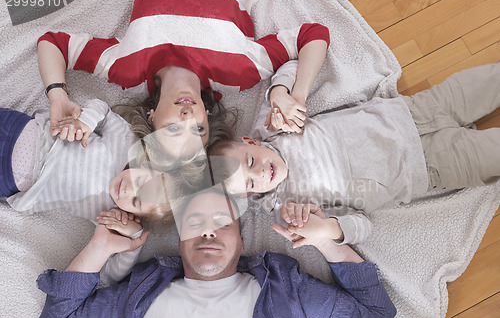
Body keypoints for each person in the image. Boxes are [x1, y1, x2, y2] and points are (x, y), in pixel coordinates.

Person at [37, 187, 397, 318]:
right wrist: (100, 246)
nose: (208, 233)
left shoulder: (283, 290)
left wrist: (324, 241)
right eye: (195, 224)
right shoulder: (143, 294)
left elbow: (374, 310)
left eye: (222, 224)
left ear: (242, 242)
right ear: (179, 243)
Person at [209, 62, 500, 245]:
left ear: (251, 142)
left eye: (249, 161)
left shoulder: (271, 126)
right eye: (250, 183)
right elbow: (362, 227)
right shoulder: (291, 209)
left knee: (488, 81)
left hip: (413, 112)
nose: (260, 172)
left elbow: (291, 65)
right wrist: (326, 228)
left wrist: (281, 94)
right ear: (249, 196)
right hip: (429, 167)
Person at [37, 0, 330, 154]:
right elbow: (313, 35)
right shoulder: (239, 72)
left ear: (151, 118)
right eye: (199, 129)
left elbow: (53, 44)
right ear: (207, 115)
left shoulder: (125, 69)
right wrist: (298, 95)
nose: (188, 119)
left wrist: (57, 95)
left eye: (174, 129)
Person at [1, 99, 173, 225]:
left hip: (12, 178)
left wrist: (133, 236)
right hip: (25, 132)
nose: (129, 190)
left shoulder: (109, 214)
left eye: (136, 201)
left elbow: (112, 270)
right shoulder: (127, 143)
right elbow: (103, 109)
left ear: (135, 214)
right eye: (140, 181)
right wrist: (86, 123)